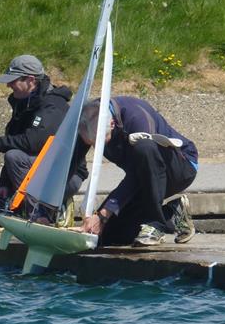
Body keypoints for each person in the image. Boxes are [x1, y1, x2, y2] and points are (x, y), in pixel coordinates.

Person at [0, 55, 87, 227]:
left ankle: (44, 212)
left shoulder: (52, 105)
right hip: (35, 171)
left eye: (13, 81)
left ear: (30, 80)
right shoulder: (23, 103)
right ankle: (30, 208)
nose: (8, 85)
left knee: (14, 156)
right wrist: (4, 184)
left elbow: (34, 142)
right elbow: (17, 141)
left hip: (65, 176)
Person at [77, 96, 198, 247]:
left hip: (179, 168)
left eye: (99, 142)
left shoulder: (136, 117)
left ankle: (156, 225)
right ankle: (173, 213)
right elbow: (72, 163)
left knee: (145, 147)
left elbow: (136, 176)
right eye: (92, 144)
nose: (96, 149)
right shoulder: (89, 119)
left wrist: (103, 214)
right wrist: (47, 209)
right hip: (145, 178)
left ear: (112, 124)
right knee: (110, 234)